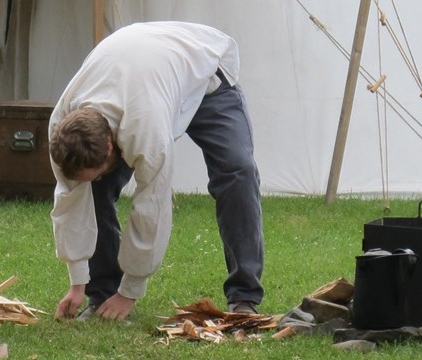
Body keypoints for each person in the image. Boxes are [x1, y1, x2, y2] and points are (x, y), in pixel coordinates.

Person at [49, 21, 264, 321]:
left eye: (98, 170)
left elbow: (153, 205)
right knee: (95, 188)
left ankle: (244, 297)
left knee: (237, 171)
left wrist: (131, 290)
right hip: (148, 78)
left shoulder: (145, 128)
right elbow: (70, 201)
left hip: (205, 79)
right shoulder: (61, 128)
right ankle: (101, 294)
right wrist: (77, 282)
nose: (93, 177)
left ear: (111, 146)